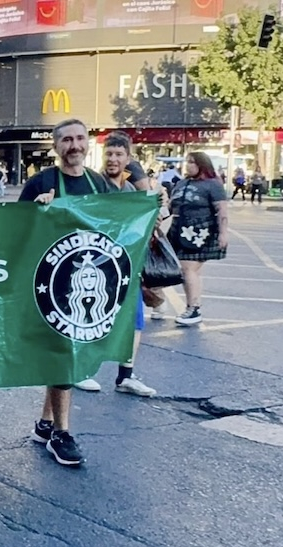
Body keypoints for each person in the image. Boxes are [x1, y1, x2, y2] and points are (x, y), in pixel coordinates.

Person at [19, 118, 115, 467]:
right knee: (63, 354)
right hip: (52, 284)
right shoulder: (40, 183)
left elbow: (118, 225)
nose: (74, 146)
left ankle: (46, 424)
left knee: (67, 353)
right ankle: (61, 433)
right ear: (56, 147)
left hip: (91, 284)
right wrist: (37, 212)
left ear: (87, 143)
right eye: (66, 140)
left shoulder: (99, 183)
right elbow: (15, 231)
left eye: (79, 139)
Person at [69, 132, 157, 397]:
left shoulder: (131, 189)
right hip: (95, 265)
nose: (113, 159)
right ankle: (79, 372)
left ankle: (125, 377)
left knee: (134, 320)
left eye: (119, 154)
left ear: (128, 159)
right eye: (109, 153)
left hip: (127, 267)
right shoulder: (94, 185)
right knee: (87, 315)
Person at [167, 152, 228, 326]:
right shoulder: (181, 183)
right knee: (189, 270)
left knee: (188, 269)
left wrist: (223, 233)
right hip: (179, 231)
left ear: (202, 164)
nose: (188, 165)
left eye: (192, 162)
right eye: (187, 162)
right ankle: (192, 306)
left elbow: (222, 210)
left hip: (201, 232)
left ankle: (194, 309)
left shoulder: (212, 185)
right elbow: (170, 207)